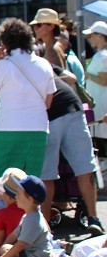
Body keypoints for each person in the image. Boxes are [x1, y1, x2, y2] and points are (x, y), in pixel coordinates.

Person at [0, 18, 54, 181]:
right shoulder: (44, 65)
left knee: (0, 180)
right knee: (32, 181)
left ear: (5, 44)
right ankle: (32, 208)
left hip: (7, 128)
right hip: (37, 128)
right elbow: (48, 102)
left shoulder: (3, 65)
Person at [41, 65, 104, 235]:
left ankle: (45, 227)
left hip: (50, 113)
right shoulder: (46, 64)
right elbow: (71, 78)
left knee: (46, 172)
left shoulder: (16, 68)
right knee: (85, 167)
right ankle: (93, 218)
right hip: (73, 106)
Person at [84, 21, 107, 152]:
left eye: (90, 36)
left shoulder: (102, 56)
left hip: (101, 109)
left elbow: (104, 80)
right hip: (100, 109)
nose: (89, 39)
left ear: (99, 36)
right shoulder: (101, 55)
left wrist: (87, 75)